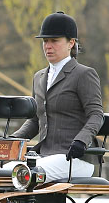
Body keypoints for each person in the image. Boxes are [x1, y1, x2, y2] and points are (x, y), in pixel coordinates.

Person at [12, 12, 104, 182]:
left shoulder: (84, 74)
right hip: (45, 155)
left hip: (77, 157)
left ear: (71, 43)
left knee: (27, 174)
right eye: (45, 41)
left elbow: (96, 114)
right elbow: (35, 120)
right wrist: (12, 141)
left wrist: (81, 141)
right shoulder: (39, 77)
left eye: (54, 41)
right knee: (4, 171)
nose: (48, 46)